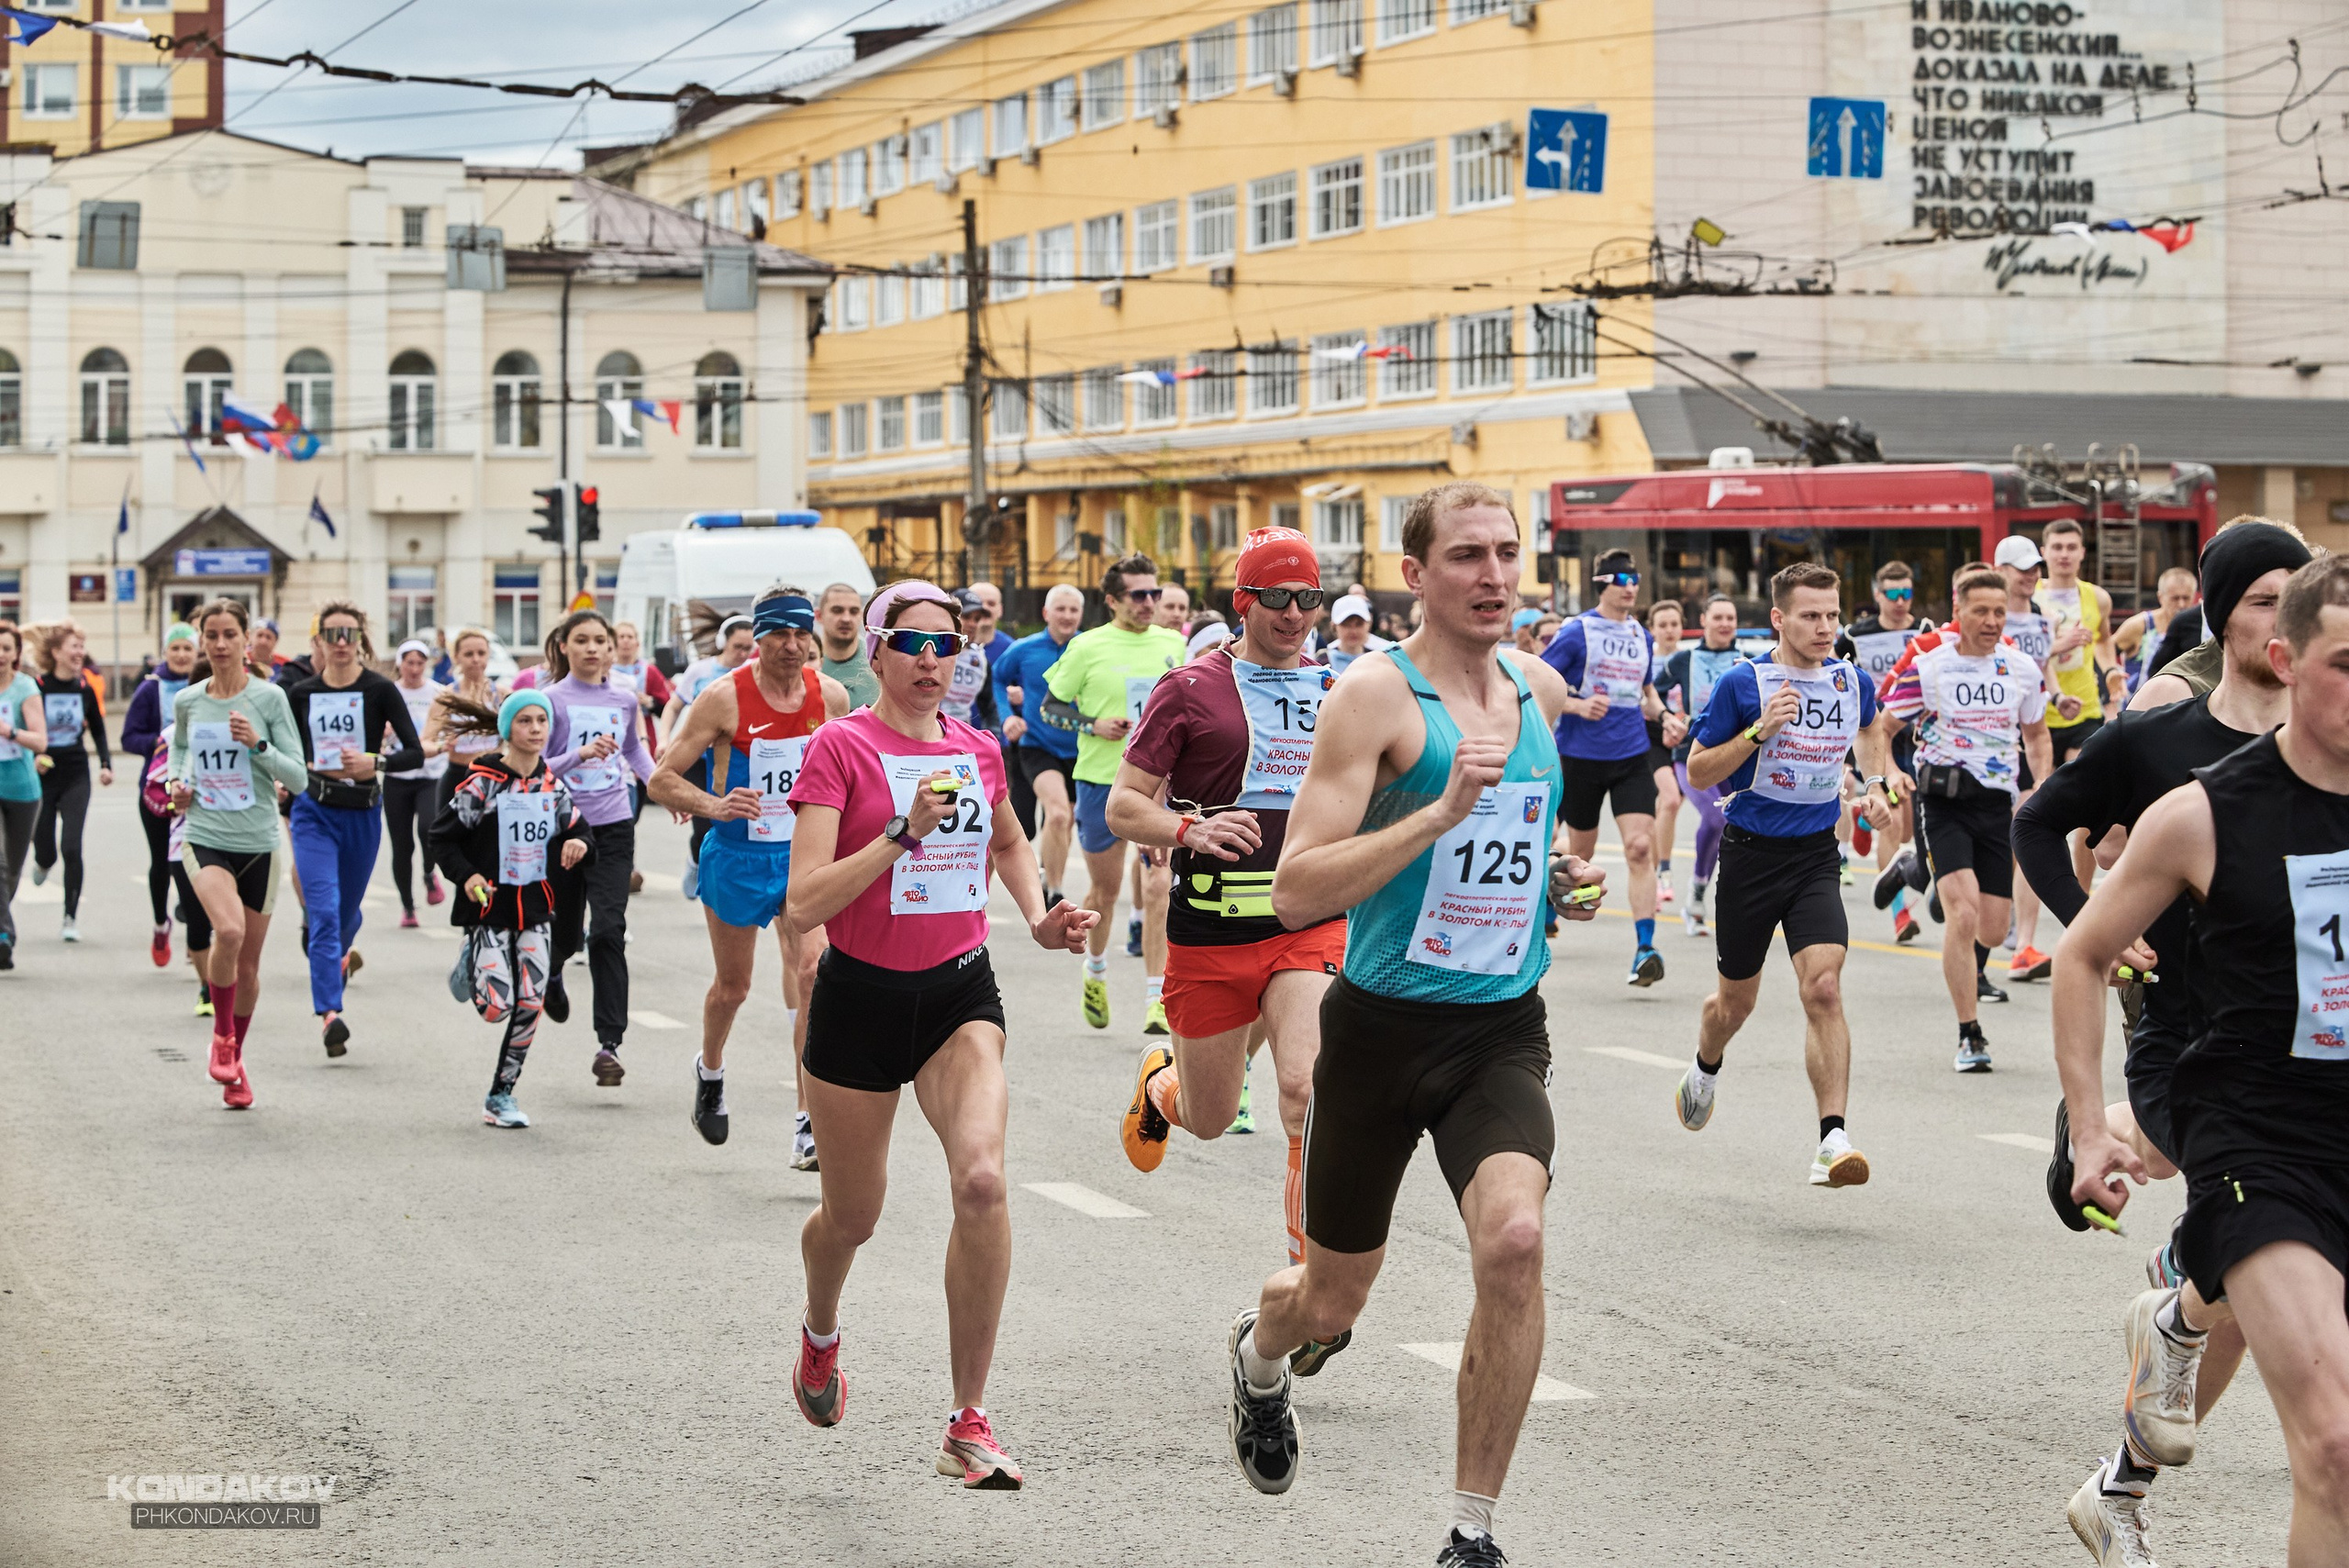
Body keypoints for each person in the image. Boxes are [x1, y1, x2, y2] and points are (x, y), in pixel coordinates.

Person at [1225, 484, 1602, 1566]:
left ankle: (1469, 1528)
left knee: (1516, 1240)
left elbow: (1514, 858)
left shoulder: (1536, 690)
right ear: (1415, 574)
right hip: (1379, 1031)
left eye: (1506, 553)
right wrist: (1437, 815)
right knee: (1332, 1294)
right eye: (1466, 556)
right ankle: (1260, 1352)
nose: (1492, 575)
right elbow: (1296, 888)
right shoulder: (1373, 697)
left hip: (1497, 1030)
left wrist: (1555, 886)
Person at [2017, 522, 2307, 1563]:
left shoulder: (2327, 745)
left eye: (2297, 598)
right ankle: (2137, 1170)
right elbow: (2040, 822)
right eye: (2264, 598)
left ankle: (2118, 1489)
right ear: (2224, 612)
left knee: (2236, 1287)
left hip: (2308, 1049)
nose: (2283, 620)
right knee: (2248, 1247)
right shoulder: (2159, 740)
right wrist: (2098, 908)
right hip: (2190, 1036)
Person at [783, 579, 1097, 1491]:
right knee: (854, 1217)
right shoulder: (839, 747)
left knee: (983, 1179)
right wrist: (897, 832)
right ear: (874, 652)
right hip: (859, 1000)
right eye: (911, 643)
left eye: (946, 644)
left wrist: (1037, 914)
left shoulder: (977, 747)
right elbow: (804, 900)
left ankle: (968, 1417)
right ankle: (820, 1331)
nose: (930, 659)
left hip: (959, 996)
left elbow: (1005, 841)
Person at [1110, 527, 1350, 1290]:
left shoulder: (1337, 689)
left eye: (1307, 597)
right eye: (1276, 596)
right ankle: (1161, 1085)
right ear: (1244, 599)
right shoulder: (1189, 689)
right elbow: (1122, 805)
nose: (1294, 613)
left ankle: (1305, 1287)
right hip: (1210, 928)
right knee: (1210, 1116)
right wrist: (1189, 827)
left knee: (1305, 1089)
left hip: (1304, 922)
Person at [1676, 563, 1898, 1185]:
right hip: (1749, 855)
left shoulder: (1850, 677)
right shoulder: (1743, 683)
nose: (1825, 627)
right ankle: (1706, 1060)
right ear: (1779, 618)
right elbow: (1697, 770)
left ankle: (1833, 1140)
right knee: (1734, 1003)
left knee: (1823, 987)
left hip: (1813, 857)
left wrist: (1876, 786)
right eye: (1810, 615)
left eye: (1832, 614)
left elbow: (1870, 727)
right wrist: (1757, 731)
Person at [647, 586, 849, 1161]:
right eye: (779, 635)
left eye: (800, 634)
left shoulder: (828, 694)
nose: (792, 646)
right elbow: (662, 779)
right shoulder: (721, 698)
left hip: (803, 857)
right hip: (737, 855)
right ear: (756, 639)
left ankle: (808, 1122)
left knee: (812, 974)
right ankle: (709, 1070)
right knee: (733, 988)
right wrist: (714, 806)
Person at [1883, 567, 2053, 1072]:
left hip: (1996, 807)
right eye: (1980, 611)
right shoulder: (1931, 666)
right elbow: (1885, 725)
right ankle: (1970, 1034)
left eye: (1999, 612)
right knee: (1963, 914)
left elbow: (2038, 736)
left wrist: (2040, 786)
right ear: (1958, 611)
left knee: (1994, 927)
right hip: (1944, 802)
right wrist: (1891, 772)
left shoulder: (2020, 669)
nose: (1992, 621)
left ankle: (1914, 869)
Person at [166, 599, 310, 1111]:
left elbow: (299, 776)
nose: (221, 644)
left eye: (230, 634)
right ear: (203, 641)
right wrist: (175, 784)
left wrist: (259, 747)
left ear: (246, 640)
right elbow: (179, 753)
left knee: (248, 967)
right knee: (228, 932)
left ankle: (234, 1061)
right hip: (204, 834)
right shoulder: (187, 702)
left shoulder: (270, 699)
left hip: (259, 844)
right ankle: (222, 1036)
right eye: (213, 635)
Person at [429, 690, 594, 1129]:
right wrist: (467, 877)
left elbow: (579, 829)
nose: (536, 729)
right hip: (489, 908)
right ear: (508, 730)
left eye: (542, 720)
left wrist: (578, 842)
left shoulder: (550, 784)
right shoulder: (482, 783)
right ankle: (471, 963)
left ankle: (501, 1094)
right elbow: (441, 838)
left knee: (530, 1002)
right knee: (496, 1007)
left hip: (537, 910)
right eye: (525, 721)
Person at [1044, 553, 1186, 1033]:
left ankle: (1155, 1000)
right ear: (1112, 600)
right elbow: (1050, 708)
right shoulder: (1087, 647)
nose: (1150, 603)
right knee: (1104, 891)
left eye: (1155, 593)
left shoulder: (1175, 644)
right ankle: (1096, 969)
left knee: (1157, 886)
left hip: (1160, 784)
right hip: (1102, 780)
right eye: (1138, 595)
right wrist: (1093, 724)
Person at [285, 602, 423, 1058]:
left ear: (361, 639)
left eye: (350, 633)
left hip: (362, 812)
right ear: (320, 641)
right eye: (332, 634)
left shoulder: (380, 689)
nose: (341, 643)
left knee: (346, 915)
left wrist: (375, 763)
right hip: (314, 814)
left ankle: (339, 955)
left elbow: (415, 753)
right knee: (322, 911)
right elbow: (283, 753)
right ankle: (329, 1013)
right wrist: (288, 772)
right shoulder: (300, 694)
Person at [538, 609, 655, 1086]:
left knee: (608, 929)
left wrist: (663, 788)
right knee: (565, 931)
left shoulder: (624, 700)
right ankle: (553, 971)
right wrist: (579, 755)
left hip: (612, 824)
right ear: (564, 647)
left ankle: (609, 1044)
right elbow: (538, 763)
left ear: (611, 649)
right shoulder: (549, 700)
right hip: (564, 826)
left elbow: (633, 752)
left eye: (599, 641)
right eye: (581, 640)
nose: (591, 648)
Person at [1542, 547, 1667, 986]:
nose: (1630, 587)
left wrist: (1667, 717)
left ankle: (1645, 948)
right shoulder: (1578, 632)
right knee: (1584, 853)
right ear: (1603, 584)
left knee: (1638, 848)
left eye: (1634, 580)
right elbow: (1541, 683)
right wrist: (1576, 706)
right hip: (1582, 758)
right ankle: (1543, 907)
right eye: (1621, 579)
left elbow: (1647, 692)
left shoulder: (1642, 635)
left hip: (1632, 754)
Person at [1989, 533, 2079, 984]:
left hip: (2031, 736)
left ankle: (2024, 942)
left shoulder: (2042, 617)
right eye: (2021, 568)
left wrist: (2059, 697)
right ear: (2000, 570)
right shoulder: (1989, 618)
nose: (2030, 576)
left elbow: (2042, 671)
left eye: (2034, 568)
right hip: (1986, 744)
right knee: (1996, 838)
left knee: (2027, 831)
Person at [1840, 562, 1933, 943]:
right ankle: (1900, 914)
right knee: (1893, 825)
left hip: (1916, 737)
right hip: (1875, 736)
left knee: (1909, 827)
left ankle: (1863, 820)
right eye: (1891, 594)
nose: (1899, 601)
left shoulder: (1926, 633)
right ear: (1877, 595)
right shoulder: (1853, 636)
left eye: (1905, 593)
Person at [1653, 595, 1745, 938]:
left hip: (1736, 758)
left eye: (1731, 618)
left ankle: (1703, 894)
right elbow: (1651, 691)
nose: (1725, 624)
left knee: (1739, 829)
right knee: (1715, 817)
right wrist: (1669, 717)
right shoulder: (1684, 659)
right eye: (1718, 617)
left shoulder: (1746, 660)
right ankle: (1694, 896)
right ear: (1703, 620)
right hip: (1690, 755)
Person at [992, 584, 1083, 906]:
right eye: (1061, 609)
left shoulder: (1088, 648)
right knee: (1057, 814)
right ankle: (1055, 893)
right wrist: (1007, 717)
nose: (1067, 616)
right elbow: (998, 677)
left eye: (1073, 610)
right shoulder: (1025, 649)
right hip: (1037, 744)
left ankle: (1049, 873)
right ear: (1046, 613)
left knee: (1065, 820)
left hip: (1081, 749)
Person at [122, 623, 202, 967]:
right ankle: (160, 922)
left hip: (198, 787)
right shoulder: (150, 689)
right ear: (165, 652)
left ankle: (197, 936)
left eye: (188, 649)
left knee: (194, 861)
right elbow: (128, 737)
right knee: (161, 862)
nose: (182, 655)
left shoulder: (203, 686)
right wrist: (156, 744)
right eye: (176, 649)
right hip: (157, 789)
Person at [664, 614, 756, 900]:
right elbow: (673, 706)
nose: (742, 654)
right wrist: (665, 740)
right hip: (698, 757)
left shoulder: (754, 672)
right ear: (722, 644)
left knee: (734, 819)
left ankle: (729, 882)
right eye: (737, 647)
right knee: (703, 821)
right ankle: (695, 862)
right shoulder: (700, 671)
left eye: (748, 649)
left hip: (733, 758)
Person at [30, 622, 112, 941]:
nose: (80, 653)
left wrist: (106, 763)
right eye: (73, 647)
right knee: (47, 850)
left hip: (76, 771)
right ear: (56, 653)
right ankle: (42, 862)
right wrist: (33, 757)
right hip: (44, 773)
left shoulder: (84, 688)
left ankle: (70, 917)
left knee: (72, 847)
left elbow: (99, 730)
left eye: (82, 646)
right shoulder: (38, 686)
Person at [384, 639, 450, 928]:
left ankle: (427, 872)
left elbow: (450, 725)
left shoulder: (438, 692)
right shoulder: (389, 693)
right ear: (400, 663)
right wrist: (382, 734)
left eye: (419, 663)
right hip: (397, 775)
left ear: (426, 664)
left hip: (430, 772)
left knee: (429, 828)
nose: (414, 668)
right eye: (408, 662)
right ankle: (408, 907)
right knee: (402, 846)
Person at [0, 621, 48, 971]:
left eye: (6, 648)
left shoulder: (24, 688)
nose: (0, 655)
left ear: (16, 653)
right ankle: (4, 935)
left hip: (22, 789)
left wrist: (10, 731)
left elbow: (40, 741)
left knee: (11, 873)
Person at [426, 629, 506, 819]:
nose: (476, 659)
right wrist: (441, 746)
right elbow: (424, 743)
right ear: (456, 657)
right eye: (469, 654)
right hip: (458, 776)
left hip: (493, 776)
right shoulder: (447, 697)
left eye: (481, 653)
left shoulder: (501, 694)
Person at [1643, 600, 1687, 907]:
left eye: (1674, 624)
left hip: (1684, 737)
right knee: (1669, 799)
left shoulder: (1691, 659)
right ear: (1652, 629)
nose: (1669, 630)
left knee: (1668, 810)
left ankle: (1651, 873)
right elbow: (1640, 703)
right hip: (1652, 738)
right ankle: (1664, 872)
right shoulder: (1645, 660)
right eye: (1663, 625)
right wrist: (1665, 722)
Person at [2114, 566, 2197, 699]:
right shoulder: (2140, 625)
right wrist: (2112, 674)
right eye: (2175, 598)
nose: (2181, 605)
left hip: (2183, 706)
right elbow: (2103, 652)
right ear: (2160, 597)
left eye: (2186, 598)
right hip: (2139, 709)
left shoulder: (2200, 628)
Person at [941, 590, 1001, 735]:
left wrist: (993, 737)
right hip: (928, 732)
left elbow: (989, 706)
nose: (973, 624)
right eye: (966, 617)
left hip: (961, 734)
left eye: (977, 619)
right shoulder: (934, 650)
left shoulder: (980, 659)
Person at [816, 583, 881, 708]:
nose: (846, 618)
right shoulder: (804, 661)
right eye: (837, 611)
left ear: (861, 617)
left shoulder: (877, 659)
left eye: (853, 611)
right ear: (819, 615)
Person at [1324, 593, 1392, 678]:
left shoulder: (1381, 659)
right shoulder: (1322, 662)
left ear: (1369, 624)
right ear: (1334, 627)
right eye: (1346, 625)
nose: (1353, 631)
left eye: (1359, 624)